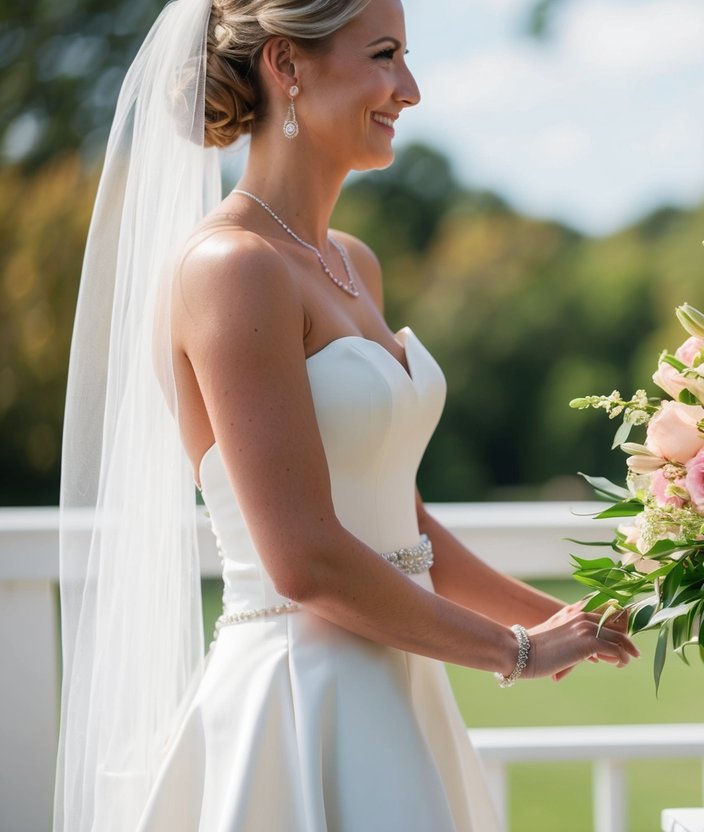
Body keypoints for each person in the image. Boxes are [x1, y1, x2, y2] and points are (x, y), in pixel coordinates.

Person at [55, 0, 638, 829]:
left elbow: (405, 528)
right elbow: (305, 559)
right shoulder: (232, 268)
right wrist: (517, 652)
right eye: (385, 55)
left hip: (401, 682)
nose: (410, 88)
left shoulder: (351, 263)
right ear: (286, 65)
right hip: (303, 694)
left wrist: (554, 615)